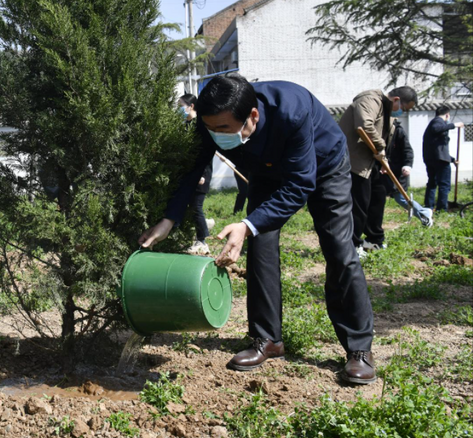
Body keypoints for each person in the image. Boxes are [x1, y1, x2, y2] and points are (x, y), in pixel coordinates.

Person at [140, 76, 376, 385]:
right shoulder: (211, 120)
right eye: (211, 129)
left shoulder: (292, 110)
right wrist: (169, 219)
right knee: (261, 249)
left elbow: (299, 185)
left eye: (224, 129)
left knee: (338, 249)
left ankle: (359, 349)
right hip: (266, 172)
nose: (216, 135)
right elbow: (192, 170)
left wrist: (247, 224)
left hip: (323, 165)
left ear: (253, 116)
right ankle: (268, 340)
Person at [339, 87, 417, 257]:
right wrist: (381, 147)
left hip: (371, 162)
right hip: (355, 161)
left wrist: (384, 158)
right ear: (396, 99)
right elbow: (363, 125)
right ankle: (353, 245)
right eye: (404, 108)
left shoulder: (387, 111)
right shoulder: (370, 100)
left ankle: (374, 241)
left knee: (378, 198)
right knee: (359, 203)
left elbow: (384, 136)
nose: (402, 112)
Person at [179, 94, 215, 254]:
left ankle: (202, 241)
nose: (178, 109)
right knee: (191, 206)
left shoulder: (199, 125)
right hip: (188, 174)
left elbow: (204, 153)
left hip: (201, 174)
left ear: (191, 106)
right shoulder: (186, 125)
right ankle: (205, 225)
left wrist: (202, 175)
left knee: (196, 206)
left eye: (181, 105)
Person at [383, 118, 433, 227]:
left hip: (397, 171)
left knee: (401, 198)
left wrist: (407, 166)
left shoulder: (398, 131)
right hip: (384, 170)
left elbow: (407, 150)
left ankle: (424, 214)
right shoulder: (380, 131)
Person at [423, 105, 464, 211]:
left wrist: (452, 159)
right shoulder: (437, 122)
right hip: (439, 161)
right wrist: (454, 125)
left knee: (432, 183)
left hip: (431, 159)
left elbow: (438, 148)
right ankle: (441, 209)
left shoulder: (434, 126)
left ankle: (429, 207)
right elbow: (437, 128)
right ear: (447, 115)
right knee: (444, 185)